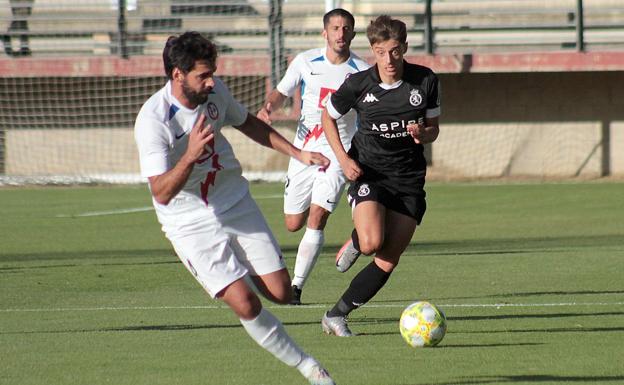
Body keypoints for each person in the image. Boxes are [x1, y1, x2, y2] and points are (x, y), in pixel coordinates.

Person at [134, 31, 336, 384]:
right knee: (246, 303)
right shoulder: (154, 120)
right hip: (188, 220)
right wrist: (190, 157)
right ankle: (310, 368)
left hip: (233, 201)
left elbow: (249, 124)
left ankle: (243, 276)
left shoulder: (216, 92)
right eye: (203, 75)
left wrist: (299, 153)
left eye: (212, 72)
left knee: (282, 292)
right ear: (177, 74)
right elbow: (161, 192)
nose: (211, 81)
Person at [320, 15, 441, 336]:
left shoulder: (425, 80)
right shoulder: (359, 84)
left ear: (404, 48)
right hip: (369, 172)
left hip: (409, 179)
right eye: (381, 52)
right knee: (374, 241)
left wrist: (422, 133)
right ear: (373, 50)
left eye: (395, 51)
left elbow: (434, 131)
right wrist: (343, 159)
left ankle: (336, 315)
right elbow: (327, 117)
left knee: (388, 259)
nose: (389, 60)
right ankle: (360, 239)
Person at [256, 8, 369, 305]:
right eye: (335, 28)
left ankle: (295, 288)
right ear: (325, 33)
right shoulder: (305, 62)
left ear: (353, 34)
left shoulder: (361, 69)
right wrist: (269, 108)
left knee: (317, 217)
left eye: (346, 29)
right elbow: (280, 92)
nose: (340, 34)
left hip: (338, 154)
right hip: (305, 151)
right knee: (293, 223)